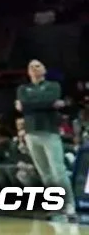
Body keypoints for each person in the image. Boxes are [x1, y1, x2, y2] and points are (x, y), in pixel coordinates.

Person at [16, 58, 75, 218]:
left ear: (44, 70)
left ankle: (69, 205)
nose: (34, 69)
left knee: (58, 171)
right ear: (28, 72)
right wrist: (47, 104)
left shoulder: (53, 86)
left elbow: (28, 105)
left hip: (49, 132)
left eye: (38, 66)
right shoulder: (23, 89)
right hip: (30, 133)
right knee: (45, 173)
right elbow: (42, 103)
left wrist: (29, 105)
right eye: (31, 67)